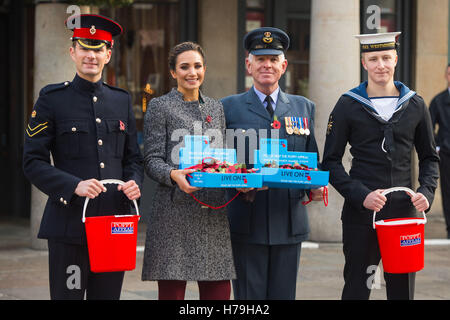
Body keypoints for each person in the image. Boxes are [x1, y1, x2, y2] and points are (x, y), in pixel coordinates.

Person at [22, 14, 144, 300]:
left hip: (114, 225)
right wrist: (72, 186)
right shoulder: (51, 99)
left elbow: (133, 159)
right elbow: (32, 161)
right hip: (69, 226)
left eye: (98, 48)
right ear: (72, 51)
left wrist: (134, 182)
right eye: (84, 48)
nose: (91, 55)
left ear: (108, 54)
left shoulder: (121, 100)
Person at [322, 32, 439, 300]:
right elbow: (329, 161)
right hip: (361, 215)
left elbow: (430, 158)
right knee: (357, 288)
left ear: (395, 59)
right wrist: (360, 195)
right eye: (373, 59)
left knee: (401, 291)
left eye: (386, 57)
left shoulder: (416, 104)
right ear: (364, 62)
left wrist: (427, 192)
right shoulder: (347, 105)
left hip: (404, 216)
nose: (380, 65)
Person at [221, 27, 324, 300]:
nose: (267, 65)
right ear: (249, 64)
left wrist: (314, 186)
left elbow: (311, 157)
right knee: (248, 298)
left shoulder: (304, 107)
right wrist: (236, 180)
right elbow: (218, 163)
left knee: (283, 295)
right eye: (260, 58)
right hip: (247, 219)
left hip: (288, 219)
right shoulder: (228, 107)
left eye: (273, 59)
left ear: (284, 65)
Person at [141, 42, 235, 300]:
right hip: (174, 211)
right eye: (184, 67)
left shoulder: (216, 108)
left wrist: (237, 177)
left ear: (204, 69)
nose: (191, 72)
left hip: (212, 212)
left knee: (219, 293)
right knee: (172, 293)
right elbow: (151, 160)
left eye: (197, 66)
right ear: (173, 72)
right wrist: (173, 175)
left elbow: (220, 159)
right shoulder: (160, 106)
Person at [429, 64, 450, 238]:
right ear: (446, 76)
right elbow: (428, 128)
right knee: (448, 191)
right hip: (447, 154)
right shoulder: (438, 101)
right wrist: (438, 147)